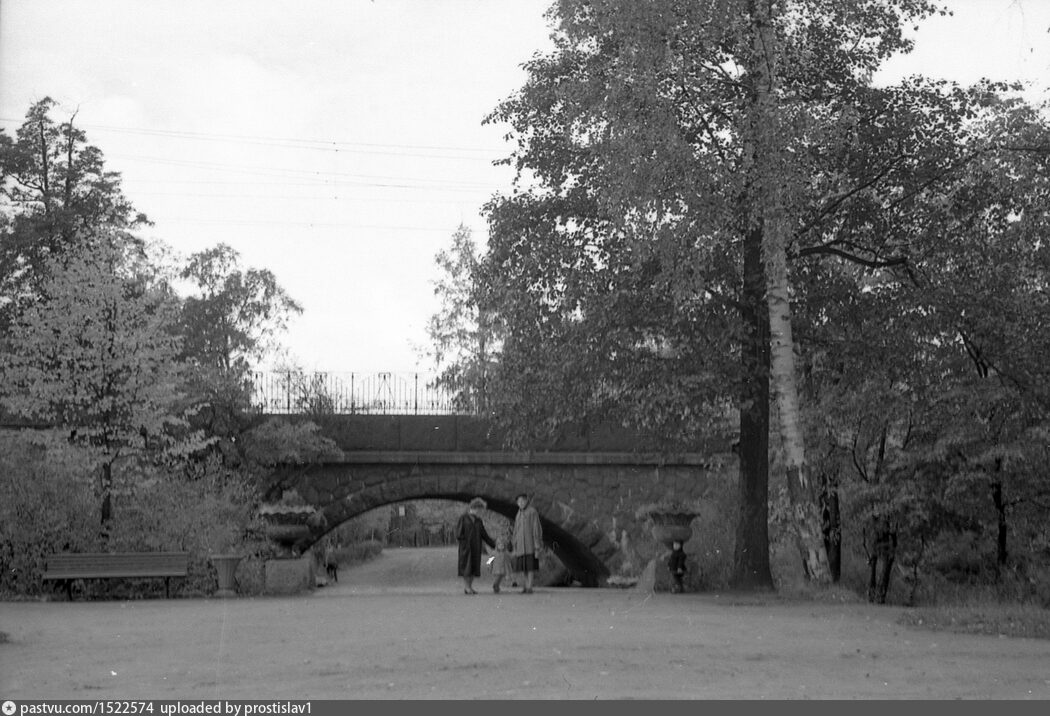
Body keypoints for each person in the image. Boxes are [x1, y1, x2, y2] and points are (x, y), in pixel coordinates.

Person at [456, 497, 495, 595]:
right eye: (479, 509)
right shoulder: (463, 518)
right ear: (474, 508)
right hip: (466, 548)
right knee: (466, 568)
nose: (480, 511)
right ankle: (467, 587)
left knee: (474, 568)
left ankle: (470, 587)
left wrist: (494, 545)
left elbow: (484, 535)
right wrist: (465, 543)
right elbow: (458, 534)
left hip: (476, 547)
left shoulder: (479, 521)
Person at [511, 493, 543, 594]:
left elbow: (536, 528)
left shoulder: (532, 512)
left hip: (530, 545)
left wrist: (537, 546)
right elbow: (516, 530)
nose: (520, 503)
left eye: (522, 501)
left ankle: (530, 586)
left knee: (530, 568)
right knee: (524, 567)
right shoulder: (518, 514)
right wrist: (514, 544)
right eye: (518, 502)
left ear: (526, 501)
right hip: (520, 546)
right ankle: (526, 585)